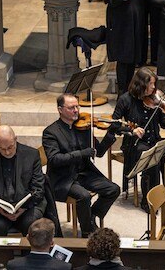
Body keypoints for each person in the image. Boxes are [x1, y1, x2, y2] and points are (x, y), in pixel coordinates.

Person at [42, 94, 119, 237]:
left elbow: (99, 152)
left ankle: (91, 216)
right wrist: (81, 153)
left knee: (113, 189)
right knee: (84, 196)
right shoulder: (50, 132)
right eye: (72, 108)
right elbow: (54, 159)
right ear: (60, 109)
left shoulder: (83, 127)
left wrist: (111, 133)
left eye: (77, 106)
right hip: (63, 178)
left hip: (84, 173)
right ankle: (87, 232)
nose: (76, 110)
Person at [111, 67, 165, 210]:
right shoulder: (125, 99)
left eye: (153, 84)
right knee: (152, 160)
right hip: (135, 143)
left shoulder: (155, 99)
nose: (153, 87)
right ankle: (149, 200)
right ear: (140, 84)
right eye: (150, 84)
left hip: (155, 139)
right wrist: (131, 130)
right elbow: (114, 125)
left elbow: (163, 123)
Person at [102, 0, 151, 96]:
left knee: (133, 58)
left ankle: (131, 92)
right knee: (123, 59)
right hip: (121, 24)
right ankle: (122, 93)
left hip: (136, 22)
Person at [0, 126, 45, 235]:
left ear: (15, 139)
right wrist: (0, 210)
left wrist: (22, 209)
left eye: (10, 147)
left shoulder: (31, 155)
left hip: (28, 207)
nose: (7, 152)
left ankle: (28, 252)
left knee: (31, 226)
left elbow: (38, 188)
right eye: (2, 149)